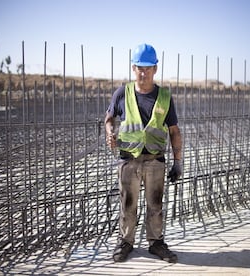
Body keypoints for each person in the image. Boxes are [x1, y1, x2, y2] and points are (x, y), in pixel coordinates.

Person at [104, 43, 182, 263]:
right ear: (133, 68)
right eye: (139, 67)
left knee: (155, 205)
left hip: (155, 161)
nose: (143, 72)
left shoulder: (165, 97)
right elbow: (108, 119)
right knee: (127, 205)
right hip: (129, 161)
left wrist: (178, 162)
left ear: (155, 69)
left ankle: (156, 243)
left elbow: (175, 131)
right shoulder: (122, 93)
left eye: (148, 67)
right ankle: (125, 242)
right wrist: (109, 132)